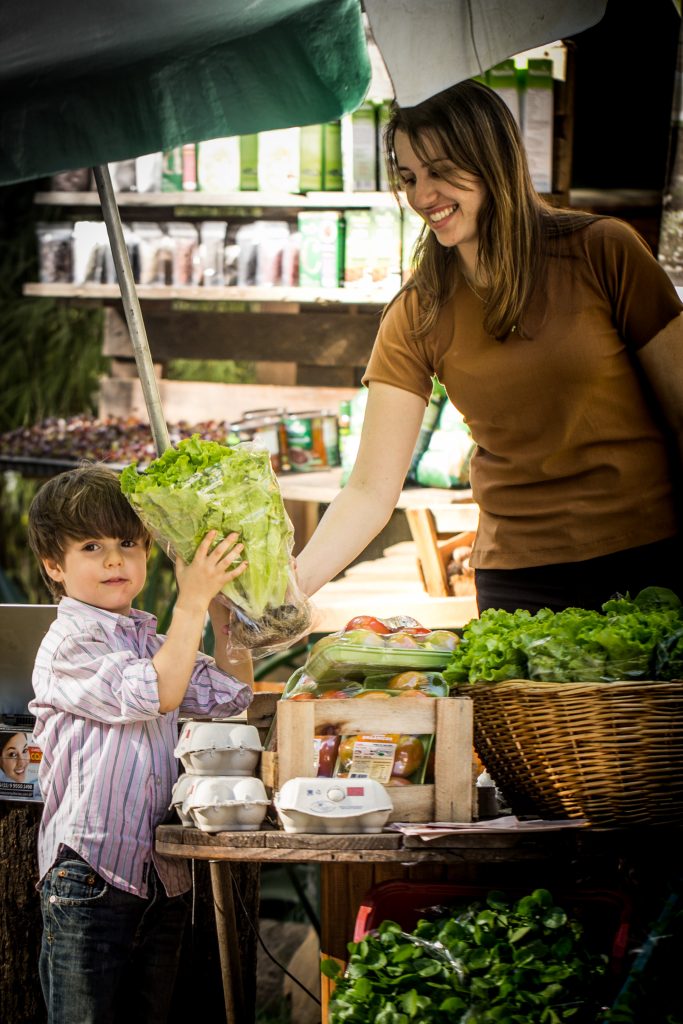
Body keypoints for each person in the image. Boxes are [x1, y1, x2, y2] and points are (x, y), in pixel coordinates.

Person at [296, 78, 683, 615]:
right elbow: (368, 491)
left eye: (440, 171)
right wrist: (286, 594)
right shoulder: (418, 309)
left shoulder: (603, 252)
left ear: (492, 158)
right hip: (517, 579)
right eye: (409, 177)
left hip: (648, 560)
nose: (422, 196)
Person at [26, 464, 254, 1024]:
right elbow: (159, 690)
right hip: (89, 875)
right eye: (91, 546)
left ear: (148, 552)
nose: (114, 560)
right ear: (54, 566)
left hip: (160, 876)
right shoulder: (68, 642)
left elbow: (231, 693)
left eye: (128, 543)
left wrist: (225, 605)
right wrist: (192, 603)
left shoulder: (151, 641)